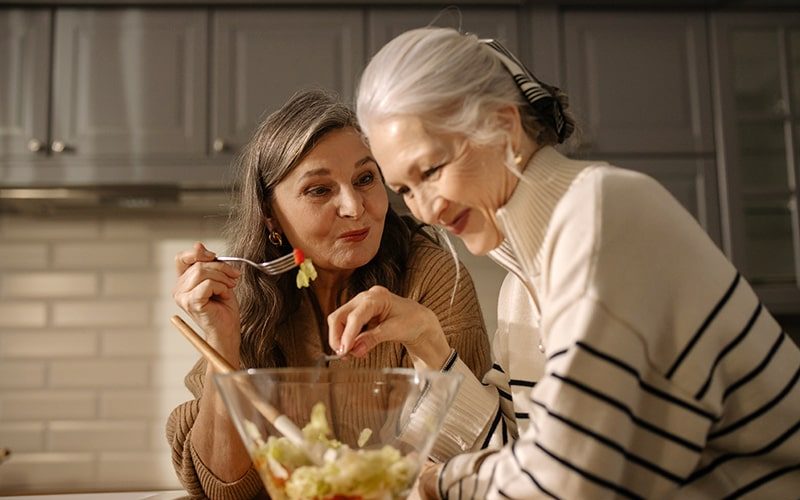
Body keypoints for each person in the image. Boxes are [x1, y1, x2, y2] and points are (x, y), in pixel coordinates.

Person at [327, 27, 800, 498]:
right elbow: (522, 453)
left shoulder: (603, 213)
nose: (426, 210)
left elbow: (572, 481)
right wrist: (429, 341)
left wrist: (432, 484)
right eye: (406, 190)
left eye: (430, 170)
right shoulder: (522, 284)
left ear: (504, 126)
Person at [165, 88, 492, 500]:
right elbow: (223, 487)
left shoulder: (431, 273)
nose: (355, 206)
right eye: (320, 190)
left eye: (365, 179)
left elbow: (470, 452)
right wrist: (223, 341)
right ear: (270, 214)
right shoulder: (241, 294)